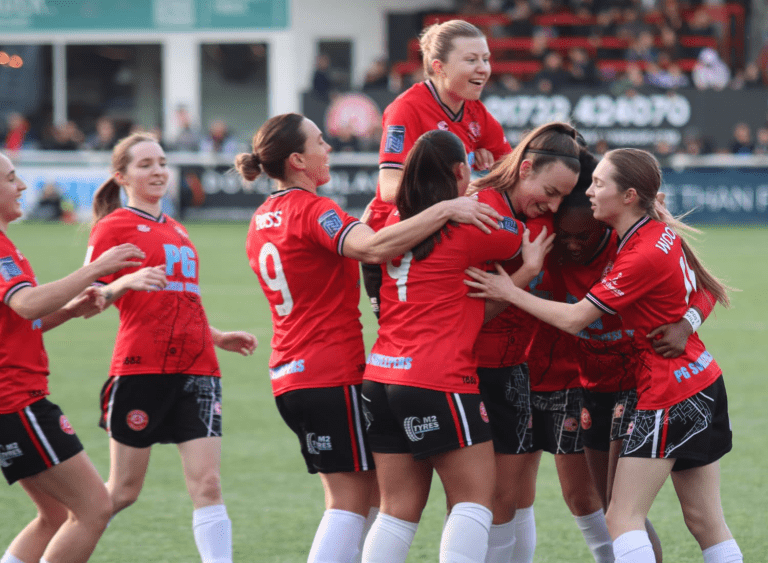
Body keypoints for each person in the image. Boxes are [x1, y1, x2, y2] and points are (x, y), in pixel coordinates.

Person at [238, 114, 505, 563]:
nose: (329, 149)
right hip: (331, 371)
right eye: (321, 142)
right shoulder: (314, 209)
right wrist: (445, 208)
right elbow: (372, 247)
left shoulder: (263, 216)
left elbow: (351, 245)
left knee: (374, 504)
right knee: (353, 504)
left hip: (289, 375)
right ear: (298, 159)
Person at [465, 148, 742, 563]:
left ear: (628, 196)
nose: (574, 244)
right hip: (673, 382)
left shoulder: (635, 251)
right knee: (700, 519)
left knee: (621, 515)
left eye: (599, 183)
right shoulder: (650, 232)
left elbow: (578, 318)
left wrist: (511, 290)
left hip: (658, 388)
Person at [360, 129, 551, 563]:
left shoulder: (394, 225)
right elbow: (523, 232)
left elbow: (465, 308)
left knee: (397, 512)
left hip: (382, 377)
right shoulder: (470, 224)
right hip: (438, 379)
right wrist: (530, 262)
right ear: (462, 172)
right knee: (474, 500)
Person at [84, 132, 258, 563]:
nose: (158, 170)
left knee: (208, 485)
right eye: (145, 165)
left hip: (199, 367)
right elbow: (84, 301)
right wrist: (121, 283)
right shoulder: (114, 226)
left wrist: (215, 335)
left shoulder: (178, 229)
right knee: (123, 492)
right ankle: (52, 549)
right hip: (142, 368)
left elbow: (177, 299)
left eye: (161, 161)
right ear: (122, 176)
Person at [0, 151, 146, 563]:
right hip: (17, 401)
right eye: (12, 178)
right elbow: (27, 304)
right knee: (94, 508)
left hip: (14, 401)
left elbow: (21, 321)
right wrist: (97, 267)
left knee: (54, 514)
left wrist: (68, 309)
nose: (22, 186)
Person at [467, 121, 581, 563]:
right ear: (526, 168)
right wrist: (524, 274)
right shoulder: (482, 212)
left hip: (519, 367)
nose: (551, 205)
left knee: (516, 496)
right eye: (549, 191)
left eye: (560, 197)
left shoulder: (536, 215)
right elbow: (466, 317)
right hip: (473, 371)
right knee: (483, 500)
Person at [361, 19, 513, 318]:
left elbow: (510, 170)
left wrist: (488, 162)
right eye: (471, 60)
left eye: (486, 59)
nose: (483, 68)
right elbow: (390, 189)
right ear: (439, 67)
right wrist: (466, 188)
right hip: (395, 245)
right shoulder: (406, 108)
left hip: (439, 239)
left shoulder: (475, 110)